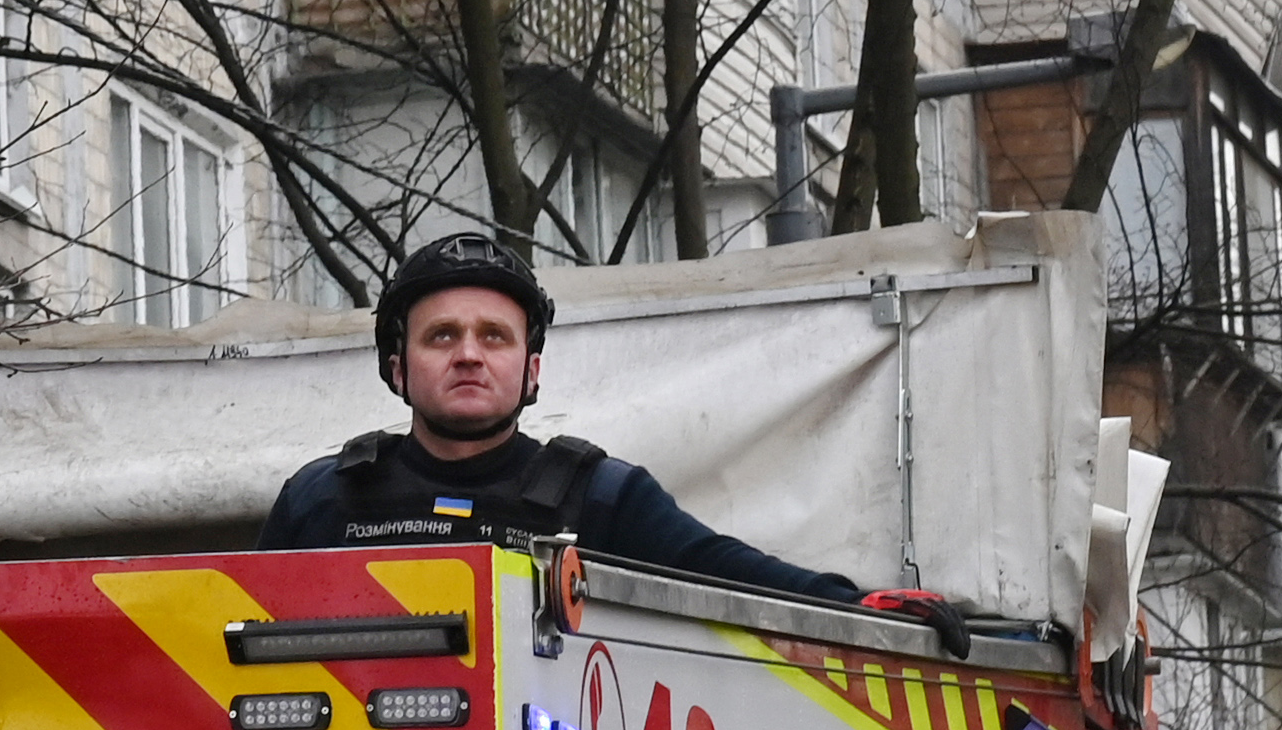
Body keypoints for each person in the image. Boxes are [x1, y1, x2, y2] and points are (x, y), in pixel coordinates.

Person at [264, 233, 869, 604]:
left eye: (494, 337)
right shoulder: (322, 500)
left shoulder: (603, 498)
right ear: (398, 369)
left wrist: (862, 606)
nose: (468, 354)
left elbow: (734, 578)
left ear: (531, 371)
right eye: (442, 336)